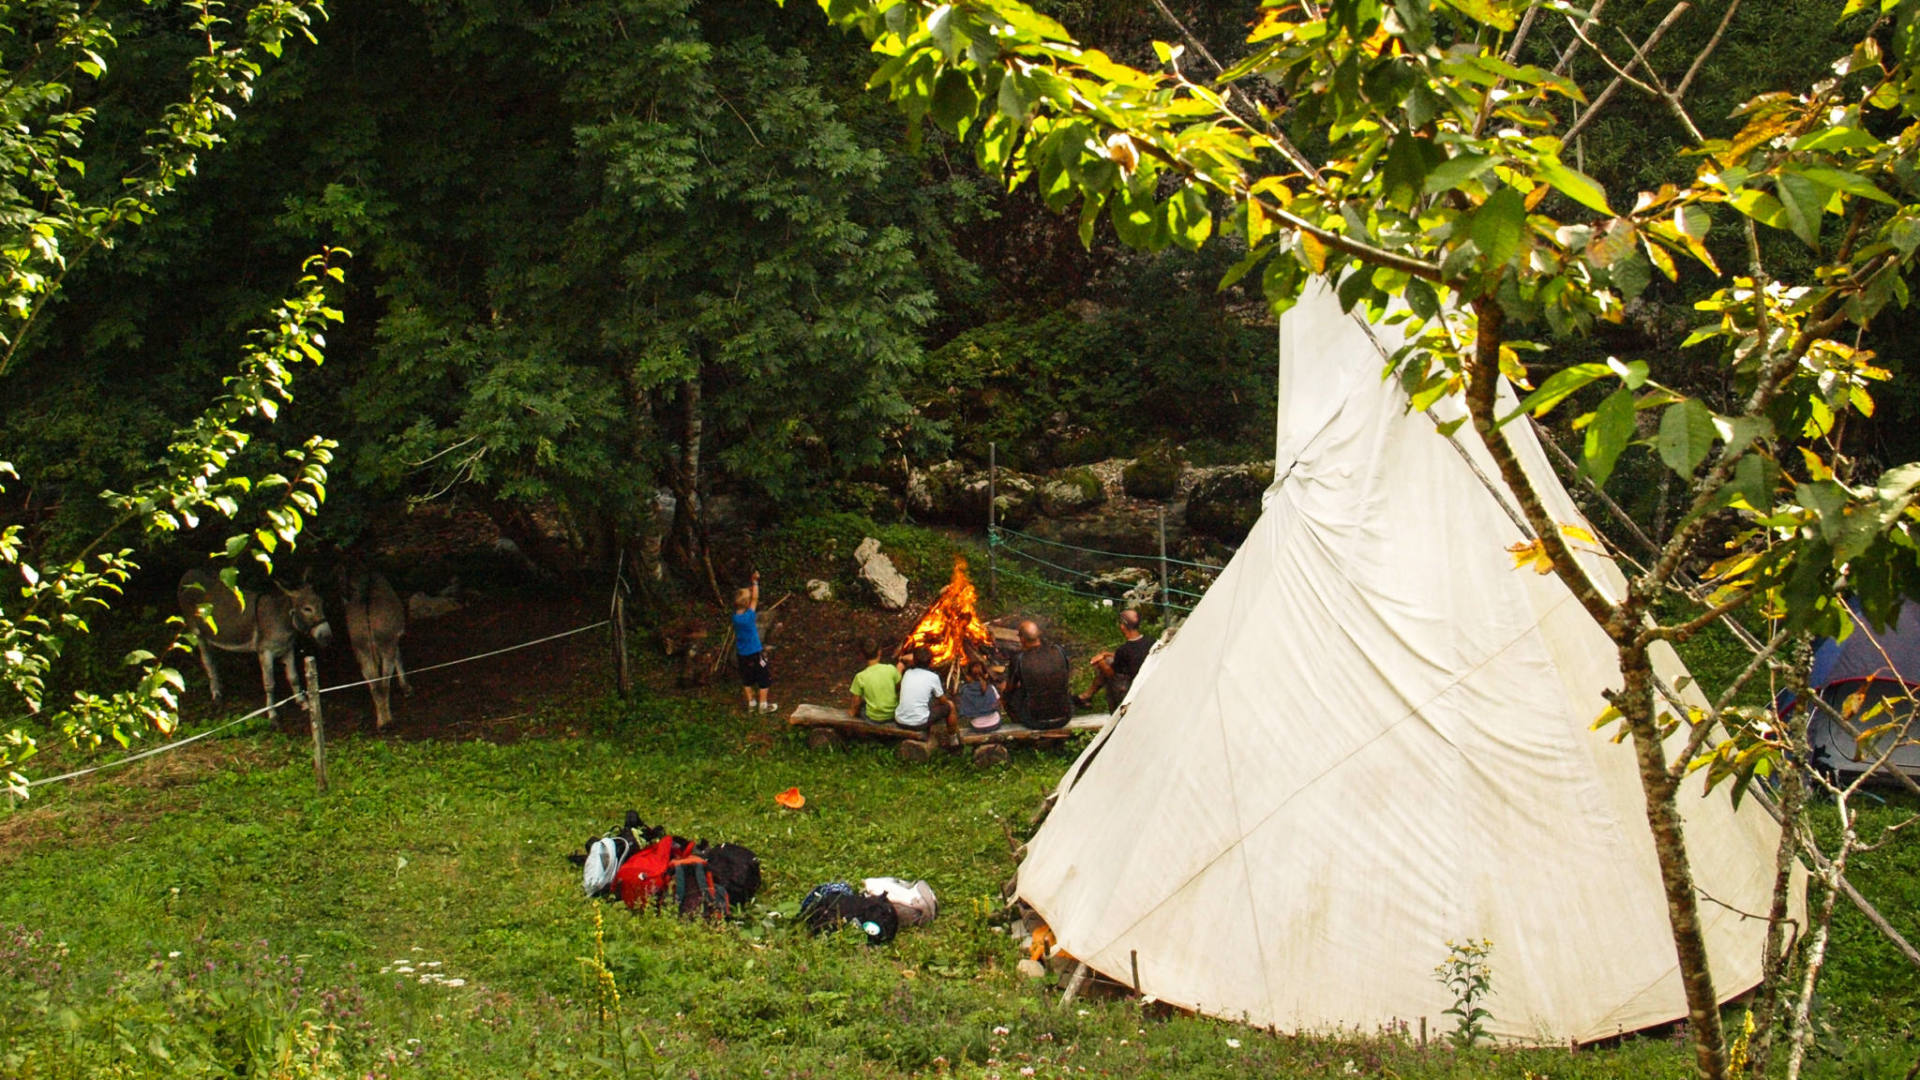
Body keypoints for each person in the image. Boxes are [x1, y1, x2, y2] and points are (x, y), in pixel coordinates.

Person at [1001, 619, 1073, 730]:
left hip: (1035, 721)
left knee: (1004, 689)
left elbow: (1010, 689)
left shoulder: (1019, 658)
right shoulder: (1058, 650)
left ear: (1022, 639)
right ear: (1038, 634)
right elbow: (1066, 674)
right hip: (1064, 717)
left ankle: (1017, 720)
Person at [1077, 608, 1151, 711]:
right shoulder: (1150, 641)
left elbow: (1111, 674)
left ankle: (1112, 709)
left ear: (1122, 627)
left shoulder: (1124, 650)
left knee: (1106, 666)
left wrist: (1100, 661)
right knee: (1109, 660)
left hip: (1133, 687)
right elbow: (1132, 656)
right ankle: (1086, 696)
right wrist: (1107, 654)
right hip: (1149, 680)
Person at [732, 571, 775, 713]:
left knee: (747, 678)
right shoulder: (750, 616)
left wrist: (748, 592)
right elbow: (756, 598)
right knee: (764, 675)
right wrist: (755, 582)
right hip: (755, 653)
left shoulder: (735, 618)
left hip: (742, 654)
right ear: (747, 602)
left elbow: (752, 598)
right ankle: (763, 705)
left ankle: (751, 702)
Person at [846, 636, 904, 724]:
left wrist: (852, 713)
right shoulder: (890, 669)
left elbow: (856, 702)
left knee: (862, 706)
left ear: (862, 655)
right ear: (879, 652)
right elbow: (899, 687)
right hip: (893, 715)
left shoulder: (860, 677)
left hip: (874, 719)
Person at [895, 646, 951, 732]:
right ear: (931, 662)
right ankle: (953, 737)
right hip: (919, 724)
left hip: (899, 721)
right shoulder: (933, 677)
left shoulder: (907, 673)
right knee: (949, 706)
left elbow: (905, 660)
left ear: (913, 661)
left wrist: (903, 657)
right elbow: (943, 701)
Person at [955, 659, 1002, 733]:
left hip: (977, 727)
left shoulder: (965, 691)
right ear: (986, 675)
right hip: (995, 724)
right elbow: (998, 703)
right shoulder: (991, 688)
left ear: (968, 677)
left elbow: (964, 710)